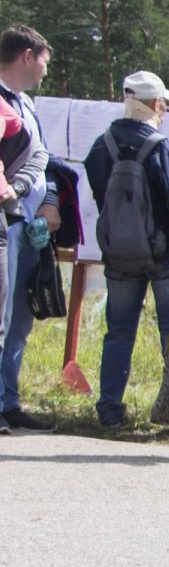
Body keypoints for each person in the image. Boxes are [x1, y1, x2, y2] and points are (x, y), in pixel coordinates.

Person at [83, 70, 169, 428]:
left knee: (118, 331)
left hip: (120, 255)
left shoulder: (101, 145)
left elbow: (102, 197)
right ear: (156, 104)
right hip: (166, 256)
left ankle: (110, 409)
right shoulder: (164, 147)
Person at [0, 25, 57, 433]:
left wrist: (50, 200)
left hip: (30, 223)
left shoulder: (27, 104)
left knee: (20, 319)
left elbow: (43, 159)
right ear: (26, 56)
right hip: (7, 220)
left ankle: (8, 400)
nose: (45, 70)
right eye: (44, 61)